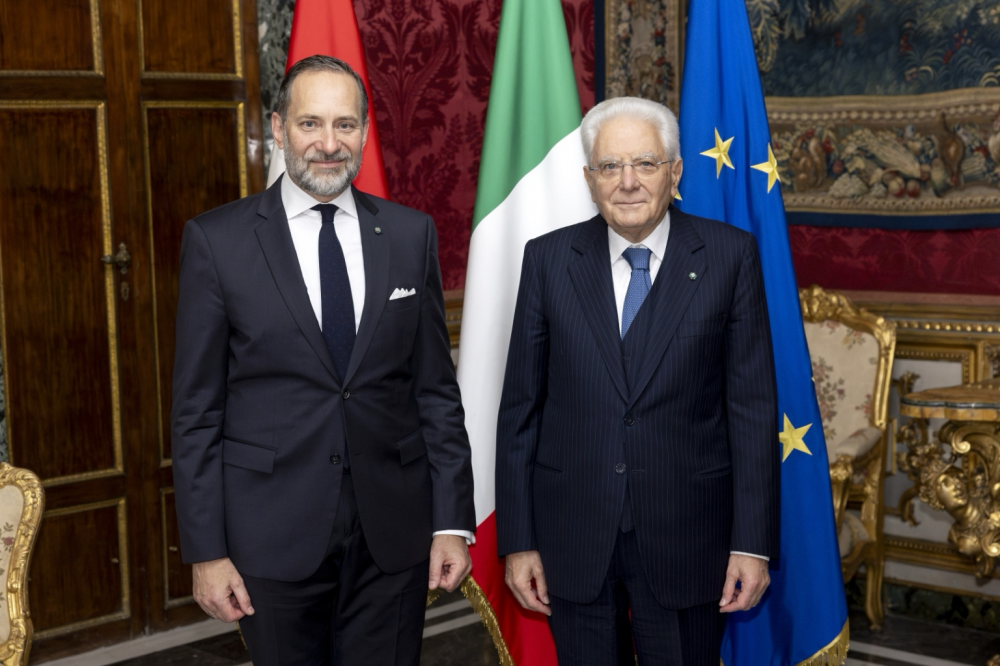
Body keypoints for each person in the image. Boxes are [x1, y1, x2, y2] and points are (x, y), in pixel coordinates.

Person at [171, 55, 475, 665]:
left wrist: (451, 520)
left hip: (393, 535)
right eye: (311, 124)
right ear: (279, 130)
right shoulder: (218, 241)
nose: (328, 144)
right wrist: (207, 552)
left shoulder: (410, 234)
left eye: (345, 125)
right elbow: (197, 412)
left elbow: (435, 391)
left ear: (364, 132)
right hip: (270, 539)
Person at [495, 97, 780, 665]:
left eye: (645, 164)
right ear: (588, 178)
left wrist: (752, 544)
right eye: (609, 167)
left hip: (689, 538)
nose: (627, 182)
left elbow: (751, 410)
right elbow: (521, 410)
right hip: (573, 537)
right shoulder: (548, 260)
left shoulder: (728, 257)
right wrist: (519, 540)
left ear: (674, 173)